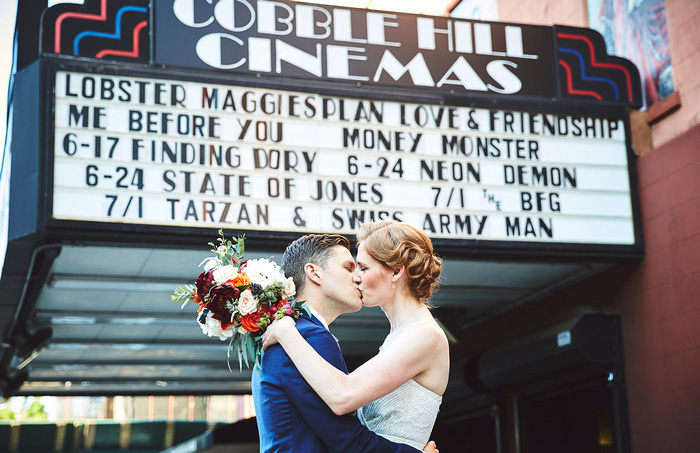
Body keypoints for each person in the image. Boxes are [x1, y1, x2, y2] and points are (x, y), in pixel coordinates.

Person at [262, 221, 449, 450]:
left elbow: (343, 396)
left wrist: (286, 333)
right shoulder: (398, 335)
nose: (356, 278)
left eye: (363, 268)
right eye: (353, 268)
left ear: (396, 271)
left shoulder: (424, 335)